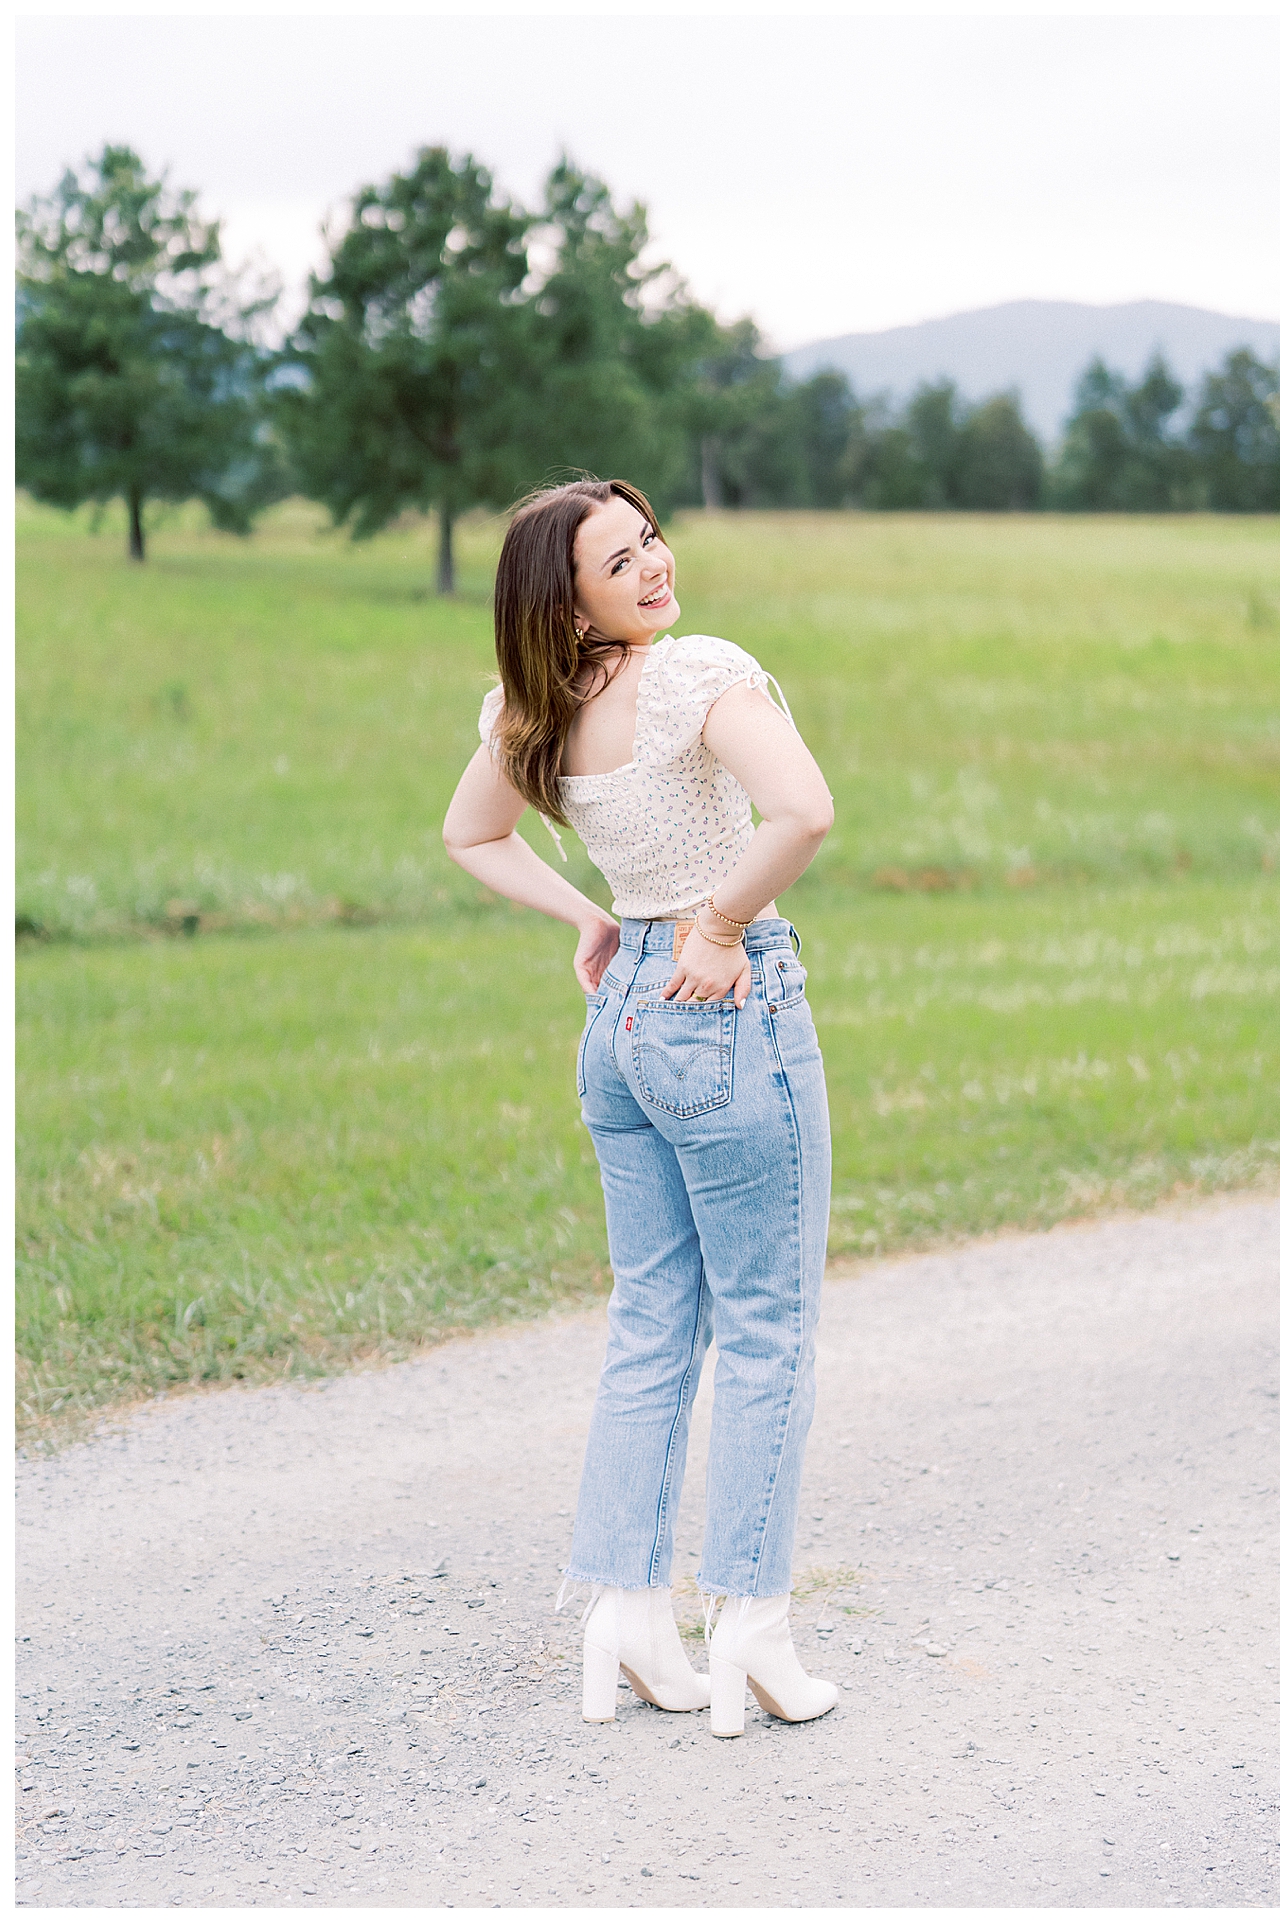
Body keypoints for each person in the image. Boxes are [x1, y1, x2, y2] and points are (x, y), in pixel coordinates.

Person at [442, 476, 838, 1740]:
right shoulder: (694, 674)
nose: (655, 566)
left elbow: (470, 836)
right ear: (569, 602)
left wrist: (597, 919)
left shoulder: (538, 704)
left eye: (651, 538)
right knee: (766, 1326)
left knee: (654, 1321)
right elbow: (806, 811)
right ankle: (752, 1630)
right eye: (621, 560)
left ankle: (624, 1609)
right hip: (724, 1003)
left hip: (621, 1028)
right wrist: (717, 923)